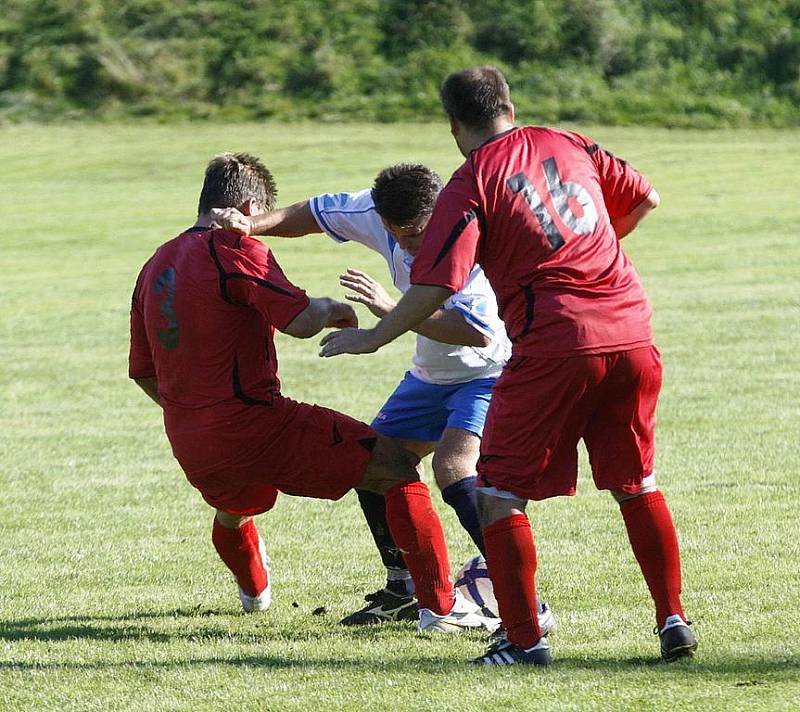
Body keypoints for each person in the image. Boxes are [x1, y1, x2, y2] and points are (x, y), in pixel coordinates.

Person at [319, 67, 697, 666]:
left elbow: (435, 285)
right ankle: (673, 619)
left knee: (495, 493)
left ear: (453, 125)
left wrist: (375, 337)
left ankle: (525, 642)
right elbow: (643, 197)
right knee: (635, 483)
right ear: (510, 105)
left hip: (553, 346)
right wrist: (592, 258)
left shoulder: (470, 183)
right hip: (630, 330)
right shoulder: (569, 141)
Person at [128, 152, 494, 634]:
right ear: (251, 204)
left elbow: (143, 372)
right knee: (393, 467)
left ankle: (255, 595)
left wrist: (196, 412)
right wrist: (333, 308)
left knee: (233, 511)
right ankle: (442, 609)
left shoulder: (153, 265)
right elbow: (299, 321)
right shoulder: (235, 248)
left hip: (189, 437)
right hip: (258, 423)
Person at [210, 164, 555, 634]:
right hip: (431, 374)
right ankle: (403, 589)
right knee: (373, 461)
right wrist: (251, 225)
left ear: (439, 214)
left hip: (488, 370)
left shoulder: (464, 239)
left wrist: (391, 315)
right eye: (400, 235)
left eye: (417, 234)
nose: (410, 246)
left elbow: (473, 332)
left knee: (453, 468)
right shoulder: (376, 213)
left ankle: (524, 600)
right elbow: (311, 213)